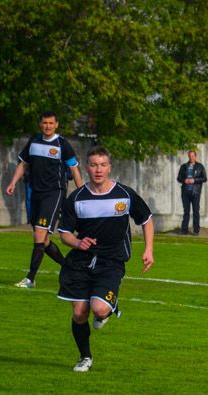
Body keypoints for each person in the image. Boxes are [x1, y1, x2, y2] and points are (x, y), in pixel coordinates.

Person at [56, 145, 154, 373]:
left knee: (99, 309)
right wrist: (78, 243)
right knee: (79, 313)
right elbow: (64, 233)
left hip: (111, 262)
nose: (98, 170)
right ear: (87, 168)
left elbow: (146, 219)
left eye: (102, 165)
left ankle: (109, 307)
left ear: (109, 167)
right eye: (93, 165)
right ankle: (85, 357)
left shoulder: (124, 195)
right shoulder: (76, 198)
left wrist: (149, 249)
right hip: (81, 262)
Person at [6, 111, 83, 288]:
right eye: (44, 123)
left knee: (39, 234)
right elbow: (23, 163)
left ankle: (30, 279)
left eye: (51, 123)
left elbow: (74, 169)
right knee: (43, 240)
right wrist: (13, 182)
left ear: (56, 125)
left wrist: (81, 193)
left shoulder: (62, 144)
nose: (47, 126)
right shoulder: (34, 141)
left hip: (54, 194)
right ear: (40, 124)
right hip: (36, 193)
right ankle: (68, 267)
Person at [177, 150, 207, 235]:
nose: (191, 157)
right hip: (185, 192)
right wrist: (184, 180)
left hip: (195, 192)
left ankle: (196, 230)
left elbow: (204, 178)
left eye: (193, 156)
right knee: (186, 211)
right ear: (188, 156)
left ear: (195, 156)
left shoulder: (200, 166)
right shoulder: (184, 166)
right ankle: (184, 230)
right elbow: (179, 178)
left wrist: (194, 180)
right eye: (190, 156)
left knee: (196, 211)